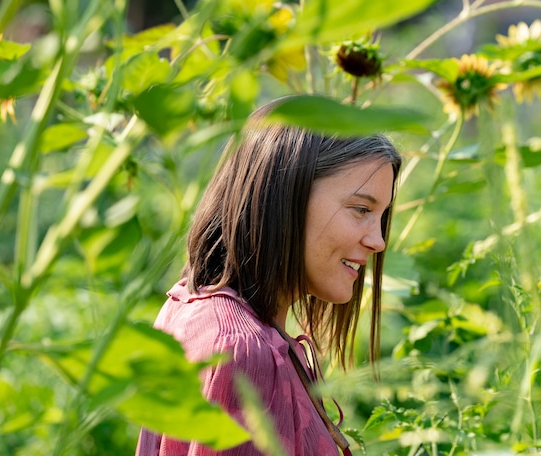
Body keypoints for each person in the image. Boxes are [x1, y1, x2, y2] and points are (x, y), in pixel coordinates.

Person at [135, 97, 402, 456]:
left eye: (380, 216)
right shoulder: (242, 353)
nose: (378, 241)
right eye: (361, 209)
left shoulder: (189, 306)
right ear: (285, 195)